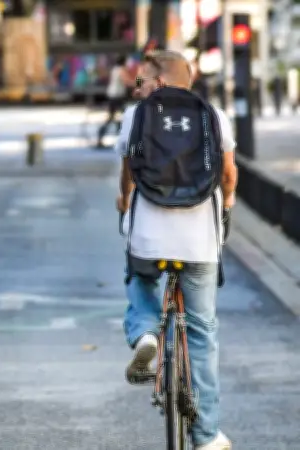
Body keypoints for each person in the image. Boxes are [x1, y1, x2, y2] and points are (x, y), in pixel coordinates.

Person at [115, 51, 237, 450]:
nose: (138, 88)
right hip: (199, 241)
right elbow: (228, 173)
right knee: (201, 332)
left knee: (140, 279)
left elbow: (129, 172)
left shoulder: (136, 116)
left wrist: (123, 200)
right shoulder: (214, 115)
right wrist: (228, 203)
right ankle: (206, 436)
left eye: (142, 81)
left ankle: (146, 333)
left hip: (149, 238)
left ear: (160, 82)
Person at [96, 55, 133, 149]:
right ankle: (122, 137)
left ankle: (118, 136)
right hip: (117, 96)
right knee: (123, 116)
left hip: (113, 96)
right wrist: (139, 81)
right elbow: (127, 81)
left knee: (114, 117)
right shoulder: (121, 70)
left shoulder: (115, 69)